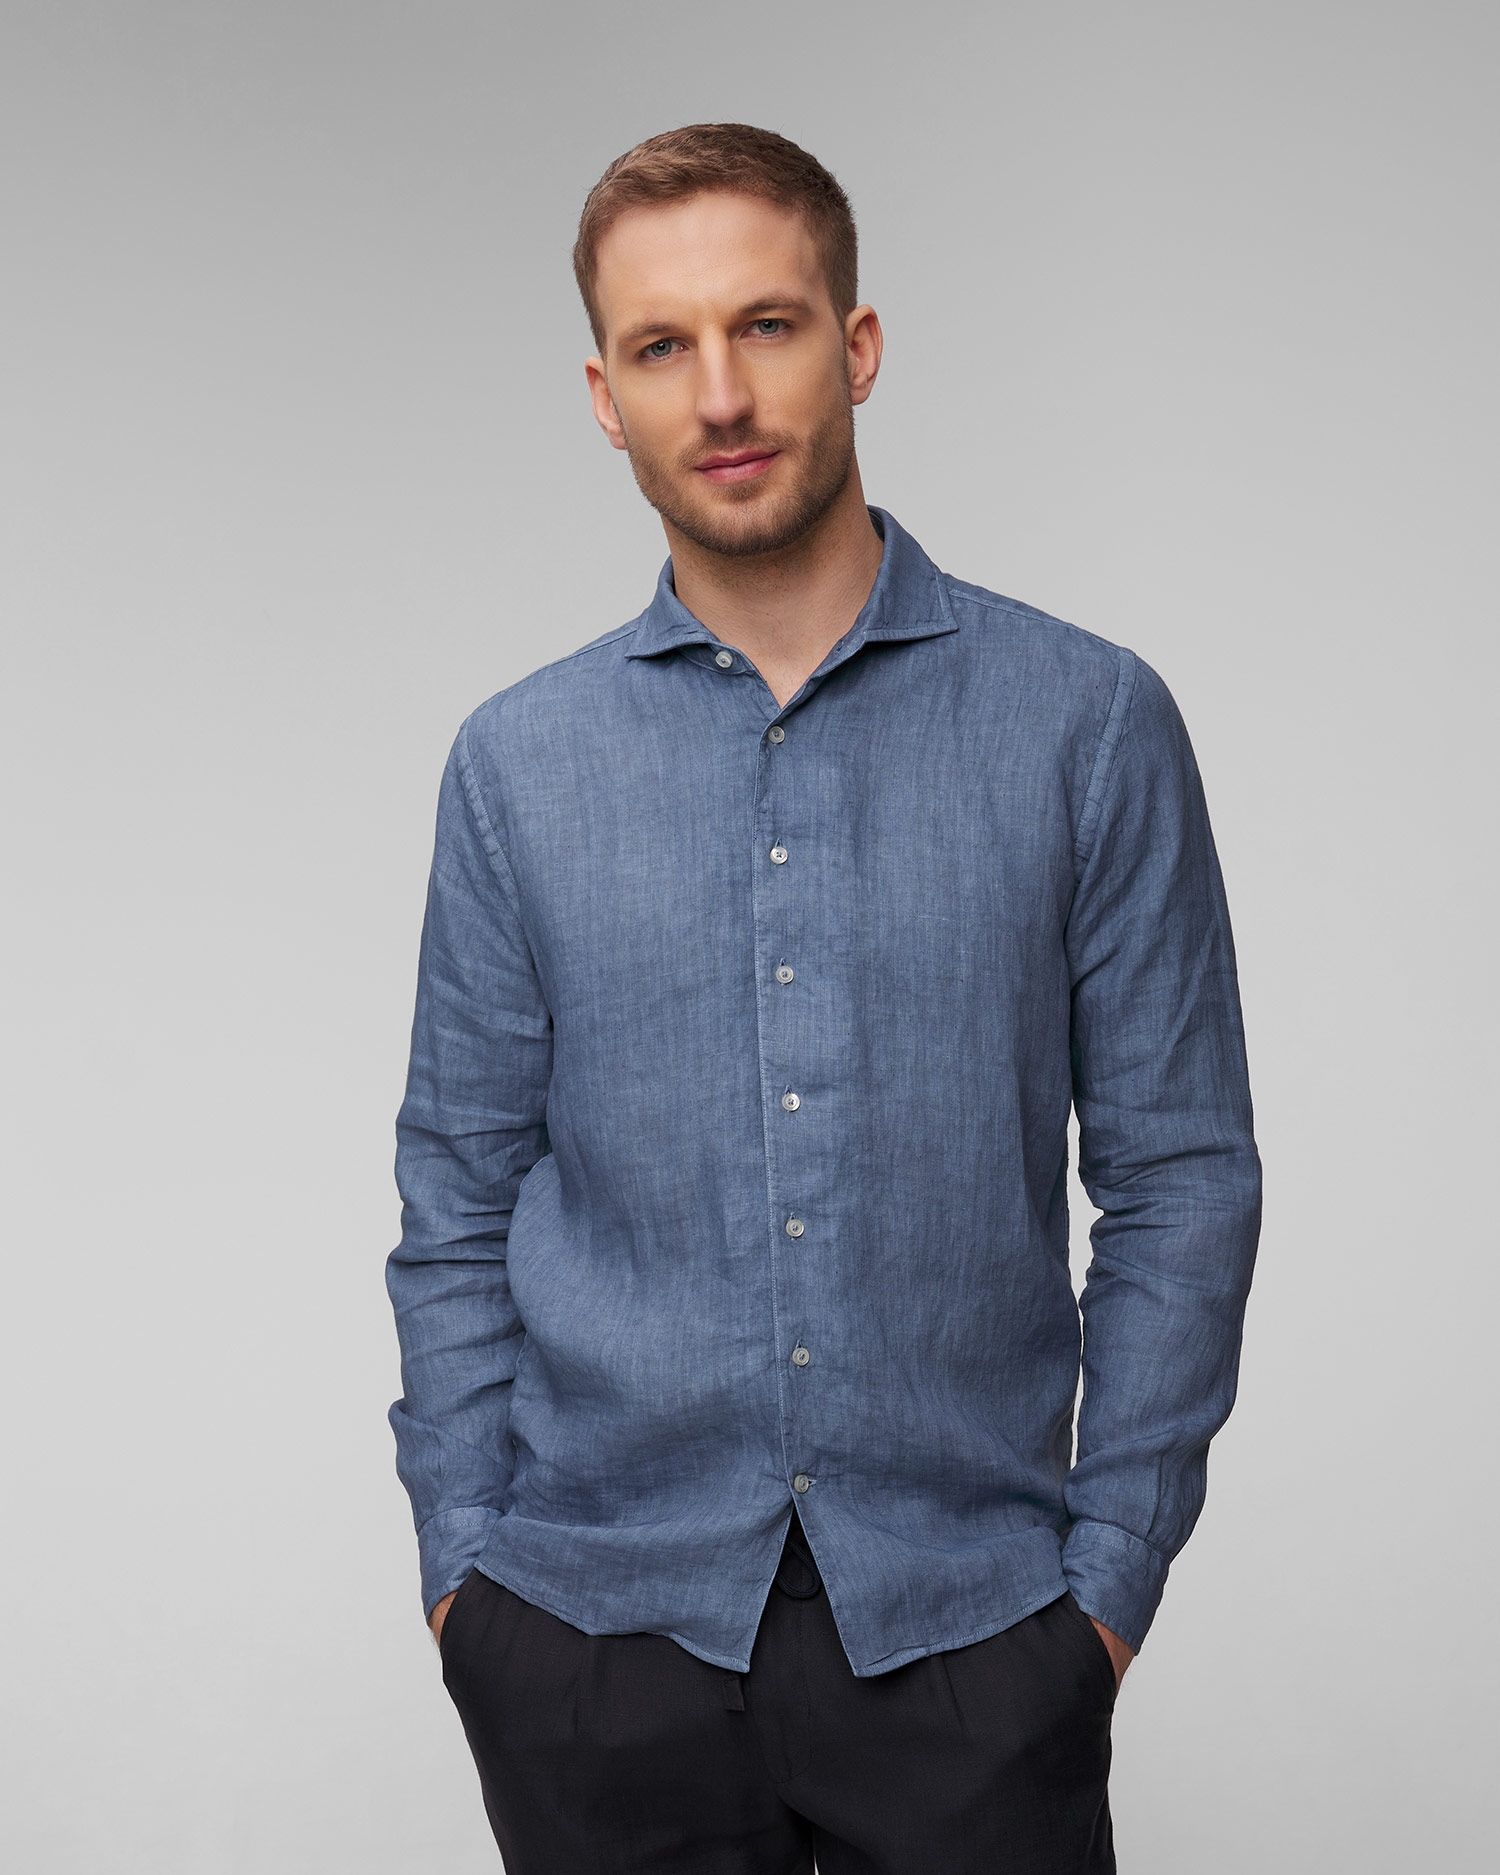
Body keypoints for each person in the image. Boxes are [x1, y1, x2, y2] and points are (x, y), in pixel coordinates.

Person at [385, 121, 1261, 1874]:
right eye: (662, 345)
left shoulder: (1087, 726)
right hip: (590, 1639)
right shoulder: (516, 767)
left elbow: (1180, 1176)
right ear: (605, 396)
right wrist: (466, 1579)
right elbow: (457, 1195)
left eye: (766, 325)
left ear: (856, 345)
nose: (720, 393)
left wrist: (1104, 1590)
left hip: (974, 1637)